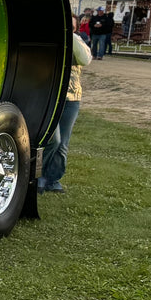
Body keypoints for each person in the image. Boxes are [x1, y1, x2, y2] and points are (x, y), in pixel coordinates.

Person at [38, 12, 93, 192]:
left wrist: (70, 35)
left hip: (71, 99)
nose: (68, 28)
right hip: (50, 97)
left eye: (72, 26)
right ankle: (38, 177)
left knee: (63, 144)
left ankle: (52, 180)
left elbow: (85, 59)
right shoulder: (50, 40)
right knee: (52, 139)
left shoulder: (77, 43)